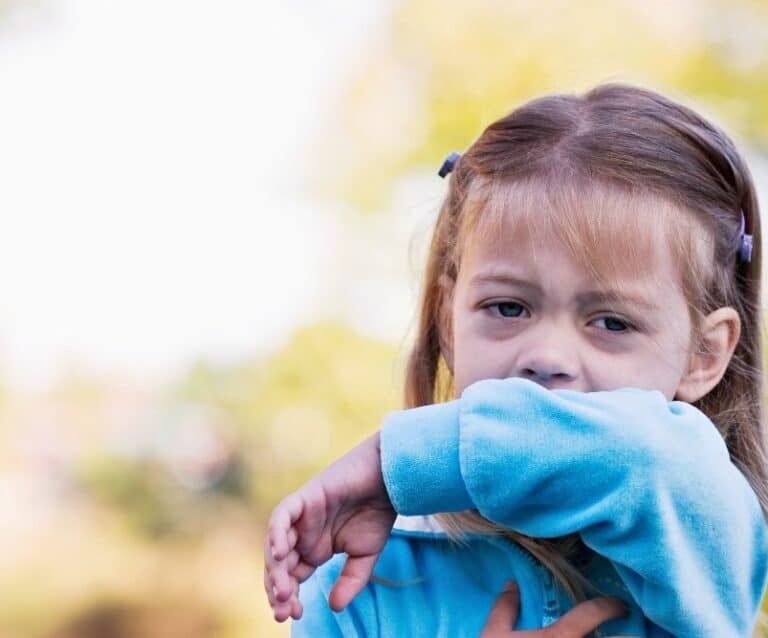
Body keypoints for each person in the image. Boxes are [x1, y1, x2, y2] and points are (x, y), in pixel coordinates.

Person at [263, 83, 768, 637]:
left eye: (612, 323)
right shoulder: (366, 579)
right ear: (447, 321)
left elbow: (648, 455)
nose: (547, 357)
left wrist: (398, 462)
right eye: (508, 307)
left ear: (703, 355)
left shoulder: (700, 522)